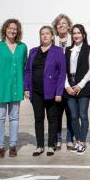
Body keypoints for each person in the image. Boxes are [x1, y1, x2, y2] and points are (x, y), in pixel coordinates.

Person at [24, 26, 66, 156]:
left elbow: (62, 73)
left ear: (53, 36)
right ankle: (40, 145)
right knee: (38, 118)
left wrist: (59, 92)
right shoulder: (33, 52)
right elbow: (27, 71)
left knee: (52, 119)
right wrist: (26, 88)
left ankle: (51, 145)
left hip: (52, 92)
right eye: (42, 34)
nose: (45, 36)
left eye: (47, 34)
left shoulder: (58, 51)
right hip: (36, 91)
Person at [0, 19, 27, 158]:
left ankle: (12, 145)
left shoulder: (22, 47)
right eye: (10, 28)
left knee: (14, 117)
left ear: (18, 31)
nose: (12, 30)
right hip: (1, 88)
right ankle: (0, 146)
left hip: (16, 88)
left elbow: (24, 67)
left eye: (15, 29)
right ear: (5, 29)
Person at [63, 24, 90, 154]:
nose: (76, 35)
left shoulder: (89, 49)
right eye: (74, 33)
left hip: (83, 86)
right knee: (73, 116)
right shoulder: (68, 50)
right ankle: (79, 140)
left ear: (83, 35)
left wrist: (80, 85)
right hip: (69, 85)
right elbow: (63, 70)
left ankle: (82, 142)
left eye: (79, 33)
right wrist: (67, 86)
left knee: (83, 115)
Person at [52, 13, 74, 150]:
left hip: (71, 82)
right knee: (57, 113)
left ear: (69, 26)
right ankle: (58, 139)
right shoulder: (52, 40)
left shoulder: (74, 39)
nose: (61, 25)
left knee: (71, 113)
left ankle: (70, 139)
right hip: (56, 83)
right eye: (59, 23)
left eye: (64, 23)